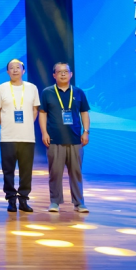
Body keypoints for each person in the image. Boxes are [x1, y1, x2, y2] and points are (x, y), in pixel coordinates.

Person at [39, 62, 91, 213]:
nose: (63, 74)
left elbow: (84, 113)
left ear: (71, 74)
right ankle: (55, 202)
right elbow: (43, 113)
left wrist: (86, 132)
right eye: (59, 71)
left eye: (66, 71)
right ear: (54, 75)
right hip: (54, 140)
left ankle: (79, 203)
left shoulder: (79, 92)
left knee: (76, 173)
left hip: (75, 140)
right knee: (55, 173)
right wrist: (44, 133)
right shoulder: (47, 92)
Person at [0, 58, 40, 213]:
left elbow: (35, 110)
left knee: (26, 170)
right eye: (11, 68)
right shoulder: (1, 88)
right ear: (7, 71)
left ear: (23, 70)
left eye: (18, 67)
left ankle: (24, 199)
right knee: (8, 171)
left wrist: (26, 124)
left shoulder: (32, 88)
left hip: (27, 136)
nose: (15, 70)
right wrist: (7, 125)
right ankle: (11, 199)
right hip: (8, 137)